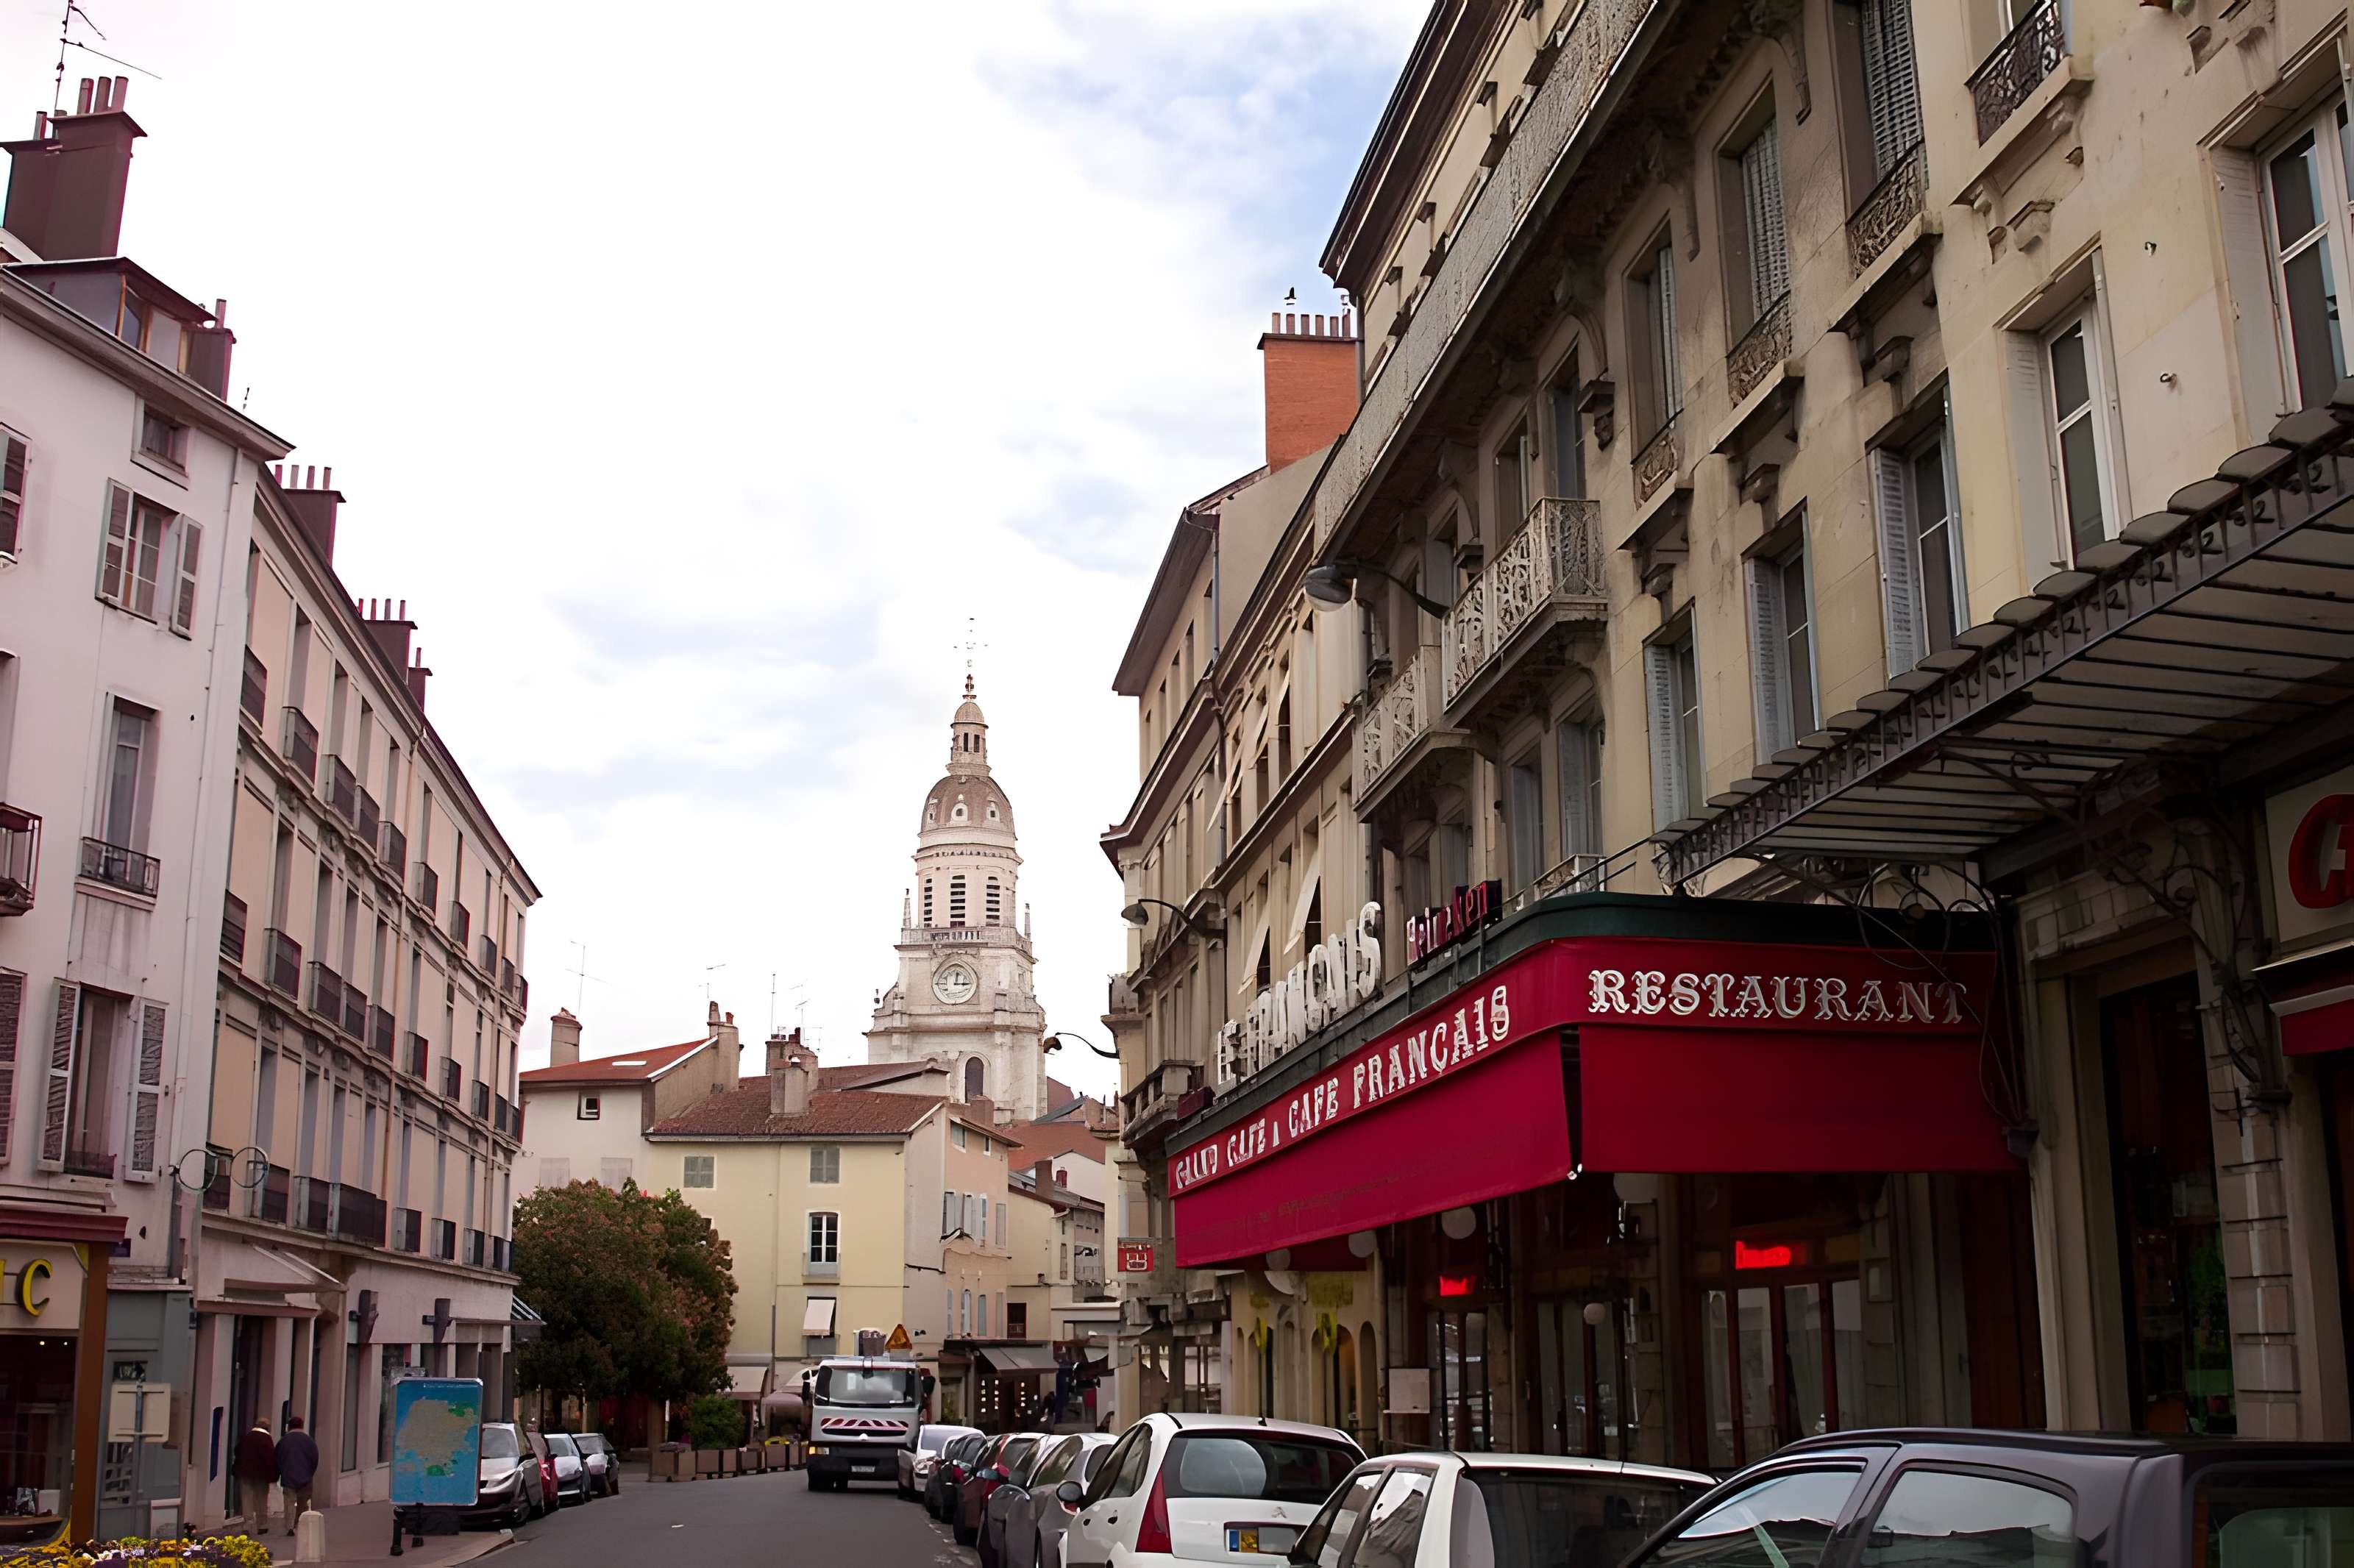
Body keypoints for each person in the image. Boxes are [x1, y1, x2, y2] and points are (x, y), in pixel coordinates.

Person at [275, 1416, 321, 1536]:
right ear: (302, 1425)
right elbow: (315, 1459)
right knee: (303, 1502)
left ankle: (289, 1526)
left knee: (289, 1502)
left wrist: (281, 1472)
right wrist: (310, 1473)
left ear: (290, 1426)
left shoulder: (283, 1441)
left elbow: (278, 1458)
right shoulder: (309, 1441)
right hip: (305, 1477)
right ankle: (300, 1524)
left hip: (288, 1476)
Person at [234, 1421, 278, 1530]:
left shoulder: (247, 1437)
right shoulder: (266, 1439)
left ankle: (247, 1523)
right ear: (267, 1428)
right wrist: (273, 1475)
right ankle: (262, 1524)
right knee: (261, 1498)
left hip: (245, 1473)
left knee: (246, 1497)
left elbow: (237, 1451)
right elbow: (270, 1458)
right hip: (261, 1475)